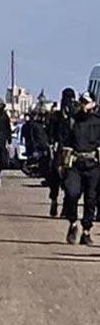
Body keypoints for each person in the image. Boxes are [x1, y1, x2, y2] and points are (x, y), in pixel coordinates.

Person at [62, 92, 100, 245]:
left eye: (86, 102)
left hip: (93, 165)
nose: (84, 105)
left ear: (93, 104)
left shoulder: (98, 121)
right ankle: (72, 224)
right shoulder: (73, 120)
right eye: (82, 101)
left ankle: (86, 231)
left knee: (91, 199)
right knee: (71, 193)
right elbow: (64, 142)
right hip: (75, 164)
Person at [48, 88, 76, 217]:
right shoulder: (56, 116)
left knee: (69, 180)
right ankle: (54, 200)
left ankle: (66, 207)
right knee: (55, 177)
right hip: (59, 150)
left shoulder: (75, 116)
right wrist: (52, 143)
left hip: (72, 151)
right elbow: (50, 133)